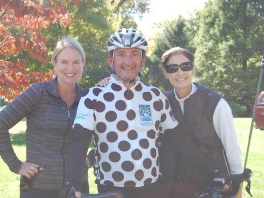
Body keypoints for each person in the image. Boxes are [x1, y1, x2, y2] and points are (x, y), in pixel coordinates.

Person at [57, 28, 179, 198]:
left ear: (143, 60)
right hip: (110, 188)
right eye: (121, 54)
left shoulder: (156, 96)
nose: (128, 61)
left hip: (153, 186)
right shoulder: (93, 97)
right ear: (110, 59)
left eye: (135, 54)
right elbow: (78, 143)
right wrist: (72, 182)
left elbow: (173, 141)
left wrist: (169, 183)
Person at [0, 37, 90, 198]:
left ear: (83, 64)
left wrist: (91, 159)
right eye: (64, 62)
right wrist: (16, 165)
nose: (70, 67)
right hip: (36, 187)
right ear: (55, 64)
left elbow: (111, 135)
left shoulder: (89, 98)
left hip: (77, 188)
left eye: (76, 62)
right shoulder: (37, 93)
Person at [158, 47, 243, 198]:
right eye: (172, 68)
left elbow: (232, 146)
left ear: (193, 69)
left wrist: (237, 184)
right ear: (165, 73)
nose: (180, 73)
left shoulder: (215, 103)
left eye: (186, 66)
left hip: (216, 184)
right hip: (179, 186)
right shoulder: (162, 102)